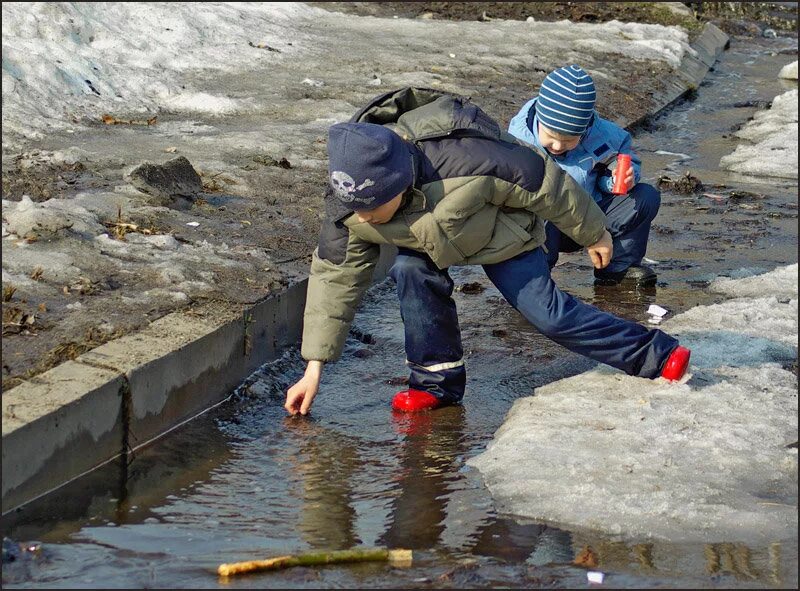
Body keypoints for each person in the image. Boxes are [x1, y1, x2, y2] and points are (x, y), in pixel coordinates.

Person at [284, 87, 690, 416]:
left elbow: (545, 183)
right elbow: (335, 278)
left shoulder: (465, 159)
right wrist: (314, 367)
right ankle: (435, 383)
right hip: (425, 244)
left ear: (400, 181)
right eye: (358, 210)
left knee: (547, 314)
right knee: (409, 271)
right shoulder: (348, 201)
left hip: (501, 233)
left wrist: (594, 233)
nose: (366, 218)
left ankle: (654, 353)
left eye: (374, 208)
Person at [508, 65, 660, 287]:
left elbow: (618, 167)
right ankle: (535, 281)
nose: (559, 145)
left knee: (645, 197)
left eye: (570, 140)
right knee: (541, 210)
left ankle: (618, 269)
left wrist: (619, 178)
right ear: (539, 119)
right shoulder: (519, 140)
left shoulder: (605, 137)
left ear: (585, 128)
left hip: (591, 216)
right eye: (551, 136)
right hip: (546, 223)